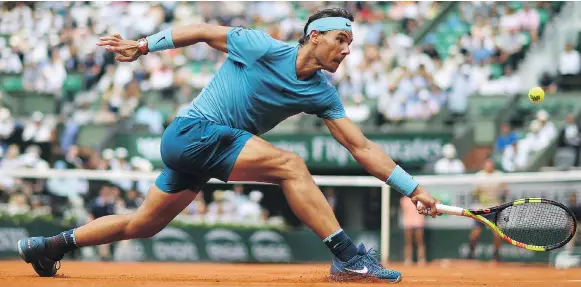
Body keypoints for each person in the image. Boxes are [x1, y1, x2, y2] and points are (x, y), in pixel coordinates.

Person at [17, 8, 439, 283]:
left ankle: (48, 247)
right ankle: (347, 257)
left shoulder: (321, 93)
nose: (347, 50)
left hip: (202, 150)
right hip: (193, 131)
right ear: (313, 36)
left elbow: (361, 147)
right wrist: (143, 46)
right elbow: (202, 31)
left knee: (142, 224)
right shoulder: (261, 47)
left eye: (350, 44)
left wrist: (413, 188)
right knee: (291, 164)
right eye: (340, 40)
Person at [467, 159, 508, 262]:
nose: (489, 166)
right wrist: (480, 198)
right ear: (484, 166)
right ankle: (471, 252)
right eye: (487, 165)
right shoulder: (478, 176)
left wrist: (501, 201)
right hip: (481, 209)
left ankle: (496, 254)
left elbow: (506, 190)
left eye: (491, 164)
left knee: (497, 233)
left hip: (495, 209)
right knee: (475, 232)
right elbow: (474, 193)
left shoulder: (499, 176)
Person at [400, 196, 426, 266]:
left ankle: (421, 259)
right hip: (408, 223)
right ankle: (408, 259)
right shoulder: (403, 199)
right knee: (408, 242)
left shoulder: (421, 199)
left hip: (419, 223)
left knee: (420, 242)